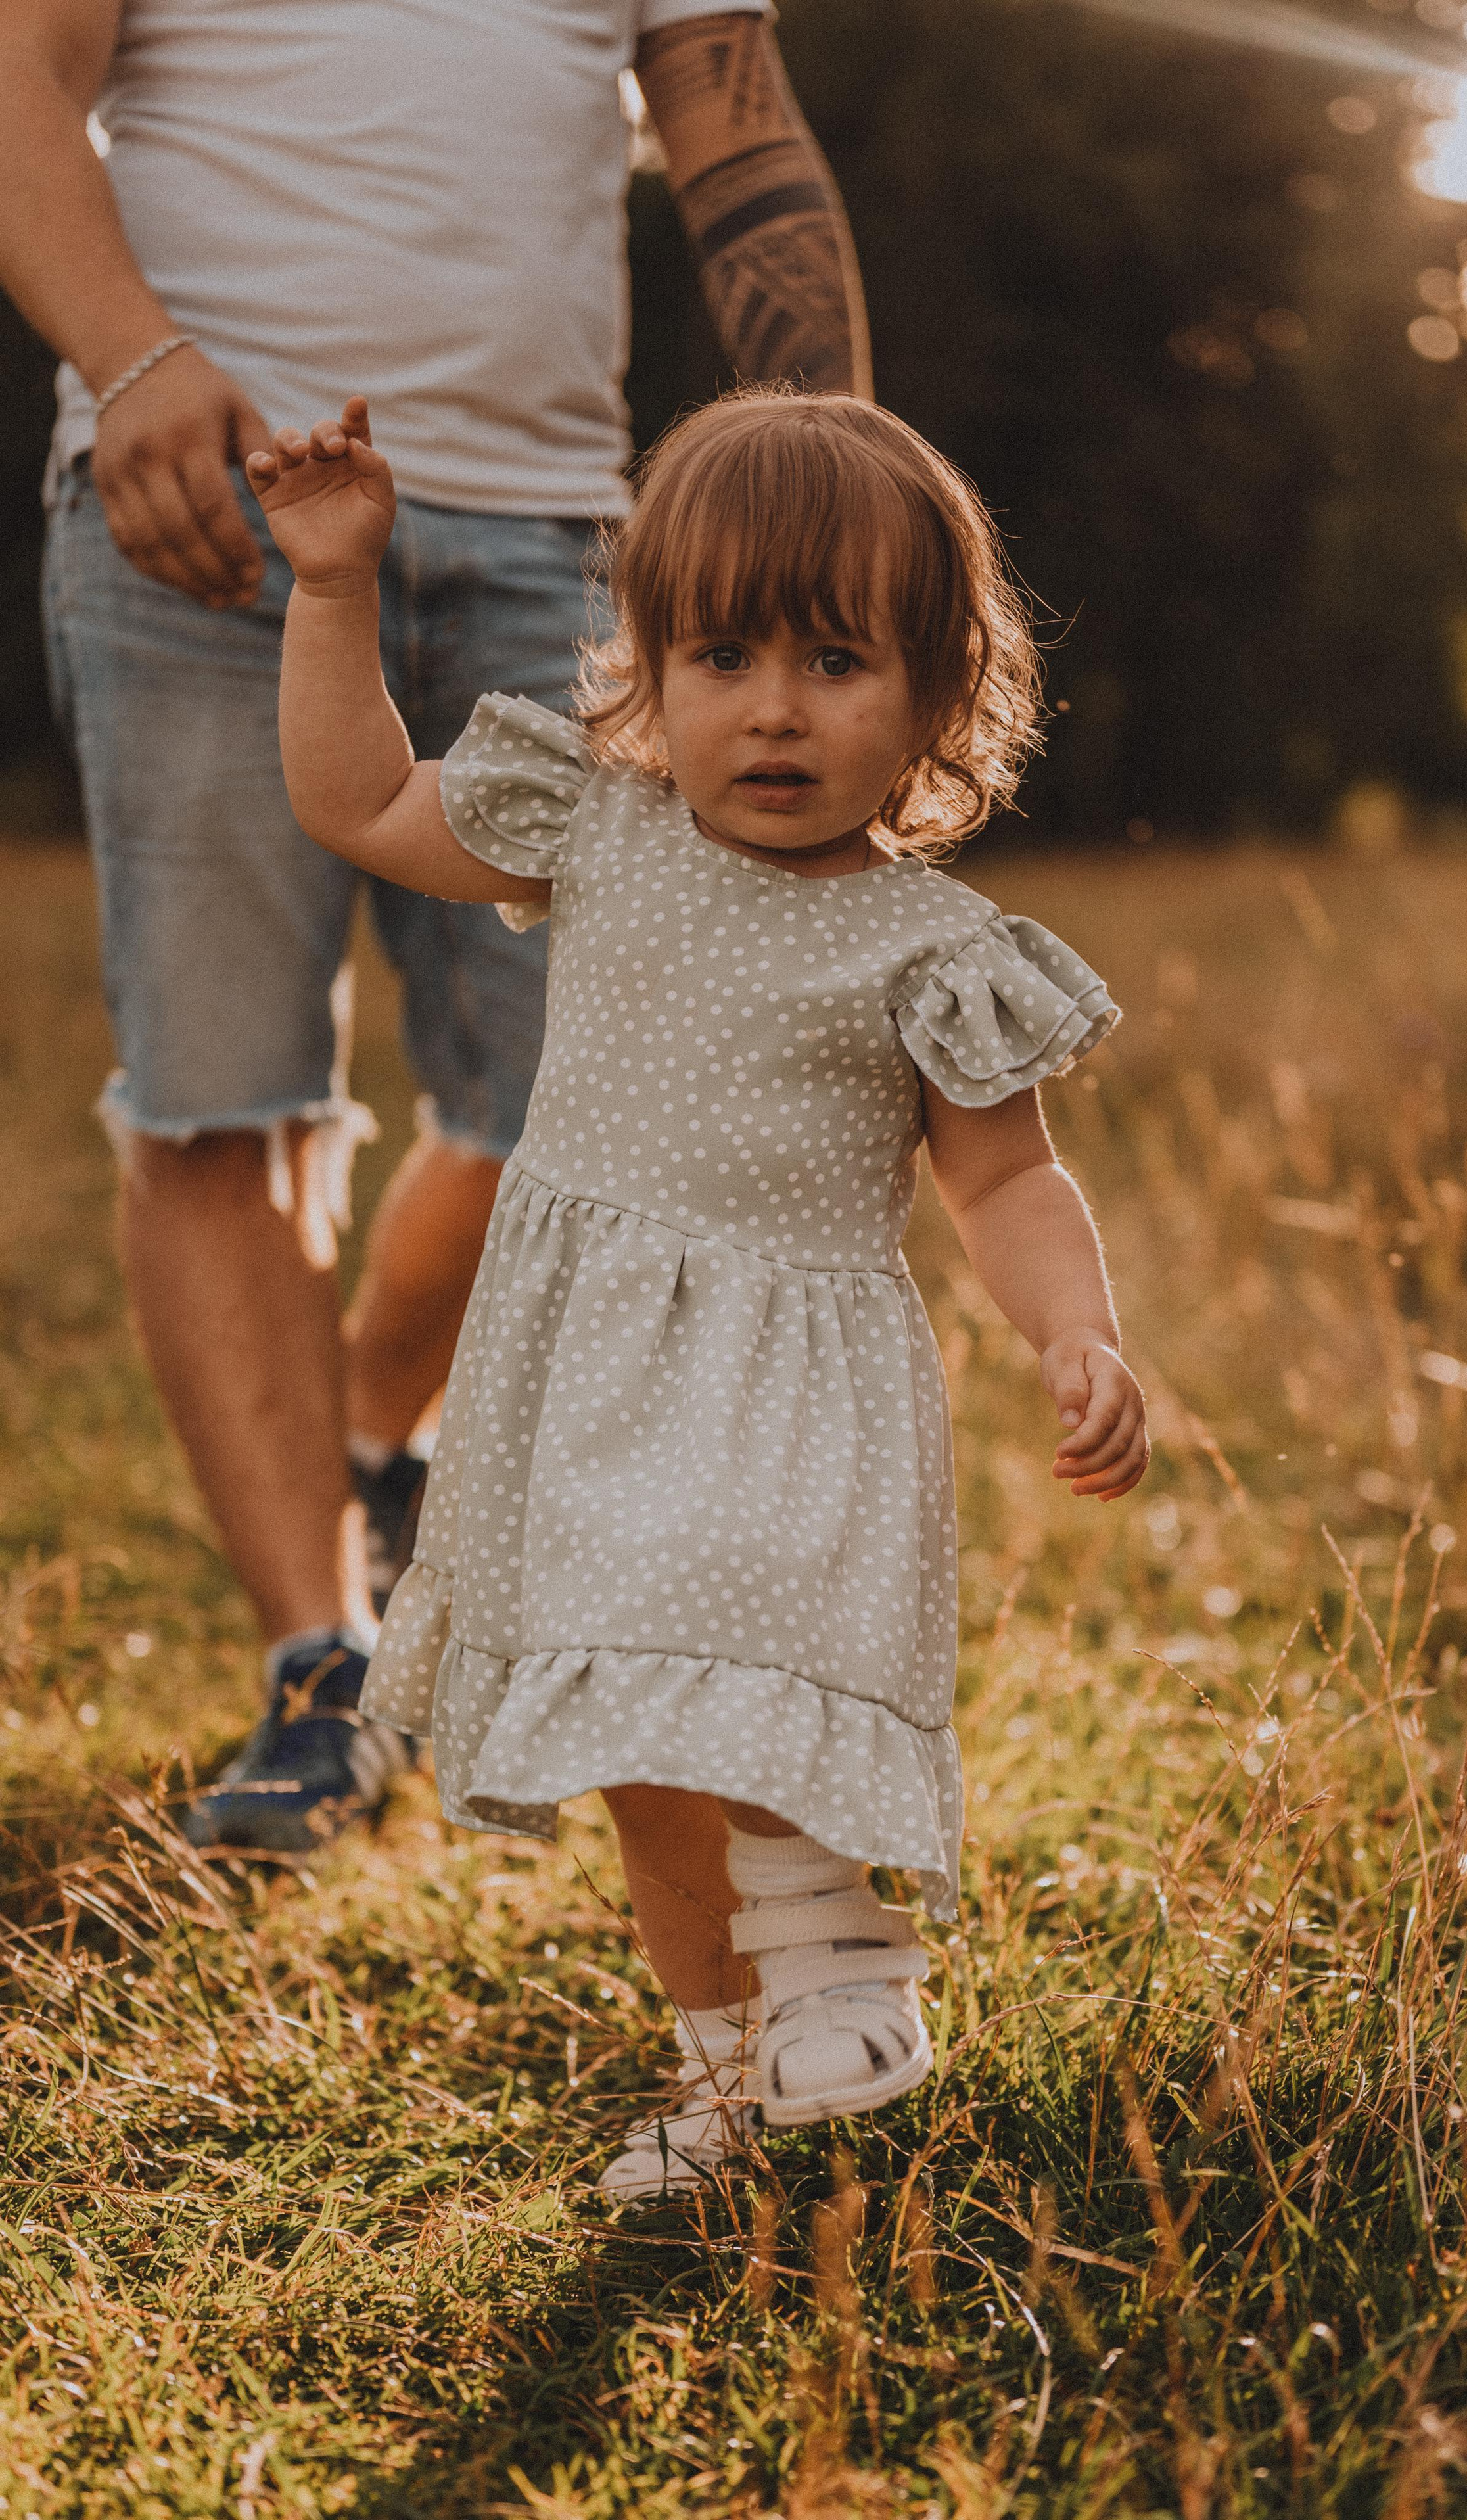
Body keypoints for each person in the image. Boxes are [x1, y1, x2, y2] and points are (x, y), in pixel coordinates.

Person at [244, 383, 1150, 2193]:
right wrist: (336, 587)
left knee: (741, 1686)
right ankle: (729, 2071)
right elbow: (356, 798)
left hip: (789, 1393)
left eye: (836, 658)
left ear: (938, 693)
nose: (776, 705)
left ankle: (844, 1960)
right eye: (723, 650)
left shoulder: (927, 943)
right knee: (642, 1757)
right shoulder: (599, 825)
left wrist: (1078, 1327)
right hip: (586, 1383)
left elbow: (1009, 1178)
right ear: (651, 664)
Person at [0, 0, 872, 1852]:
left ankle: (376, 1435)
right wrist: (130, 357)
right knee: (219, 1088)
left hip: (560, 533)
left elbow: (738, 146)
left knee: (591, 1094)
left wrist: (836, 473)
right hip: (199, 516)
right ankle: (325, 1664)